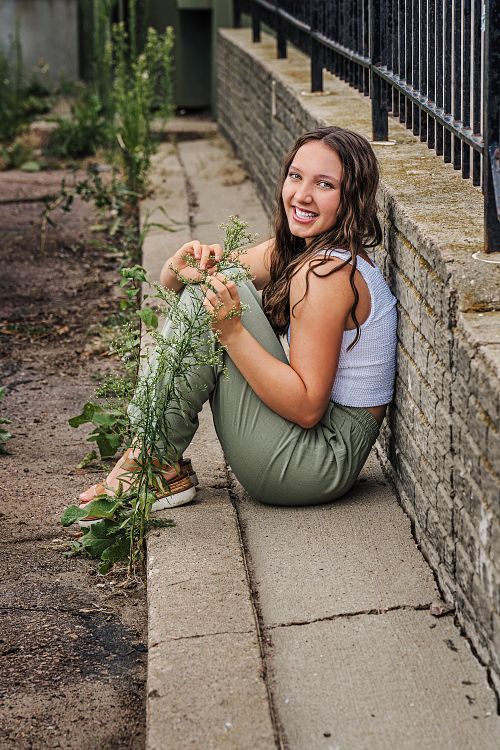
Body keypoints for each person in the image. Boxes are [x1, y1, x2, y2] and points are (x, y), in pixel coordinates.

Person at [78, 125, 397, 517]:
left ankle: (152, 460)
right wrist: (177, 267)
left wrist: (231, 332)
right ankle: (150, 455)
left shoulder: (327, 275)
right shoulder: (304, 248)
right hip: (313, 444)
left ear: (352, 197)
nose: (302, 195)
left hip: (316, 462)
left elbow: (307, 408)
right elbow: (200, 279)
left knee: (217, 297)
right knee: (215, 285)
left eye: (325, 184)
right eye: (296, 176)